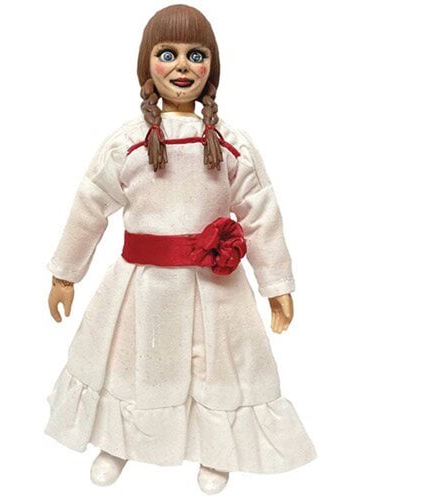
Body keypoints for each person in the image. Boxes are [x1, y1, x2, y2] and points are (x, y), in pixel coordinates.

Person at [45, 4, 316, 495]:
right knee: (132, 361)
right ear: (146, 64)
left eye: (197, 54)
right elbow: (90, 205)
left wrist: (276, 283)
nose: (183, 66)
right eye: (167, 54)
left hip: (214, 287)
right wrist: (66, 273)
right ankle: (119, 439)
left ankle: (217, 447)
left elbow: (260, 213)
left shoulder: (229, 145)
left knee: (213, 367)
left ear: (213, 66)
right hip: (142, 283)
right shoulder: (128, 144)